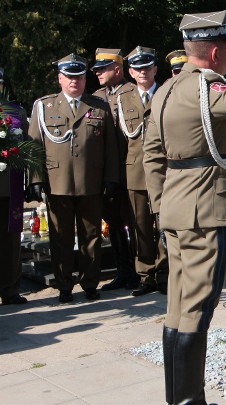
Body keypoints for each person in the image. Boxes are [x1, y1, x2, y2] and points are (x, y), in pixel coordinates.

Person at [142, 10, 226, 404]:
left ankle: (177, 398)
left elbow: (152, 155)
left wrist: (160, 206)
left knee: (178, 307)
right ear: (216, 52)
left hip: (175, 210)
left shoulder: (166, 89)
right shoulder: (205, 88)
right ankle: (189, 401)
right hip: (205, 212)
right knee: (199, 307)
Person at [27, 54, 119, 303]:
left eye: (78, 77)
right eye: (69, 77)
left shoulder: (99, 106)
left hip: (91, 182)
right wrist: (35, 179)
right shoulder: (44, 106)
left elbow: (110, 146)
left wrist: (111, 177)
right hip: (58, 183)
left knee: (91, 236)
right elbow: (34, 145)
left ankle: (90, 283)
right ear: (60, 79)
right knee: (60, 237)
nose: (74, 81)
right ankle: (64, 285)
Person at [117, 46, 169, 296]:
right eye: (138, 69)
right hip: (135, 171)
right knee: (140, 226)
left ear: (155, 69)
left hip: (165, 170)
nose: (143, 72)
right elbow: (118, 141)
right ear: (131, 72)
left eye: (147, 67)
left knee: (165, 224)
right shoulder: (122, 99)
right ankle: (145, 275)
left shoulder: (167, 93)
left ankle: (165, 272)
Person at [91, 48, 139, 291]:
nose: (98, 73)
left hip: (131, 166)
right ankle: (123, 270)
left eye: (103, 69)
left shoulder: (133, 91)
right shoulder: (96, 96)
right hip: (107, 170)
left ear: (117, 70)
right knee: (114, 222)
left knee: (136, 221)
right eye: (97, 69)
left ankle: (141, 269)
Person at [0, 69, 29, 306]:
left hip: (10, 186)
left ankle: (10, 289)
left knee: (11, 240)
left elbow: (28, 149)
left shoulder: (15, 112)